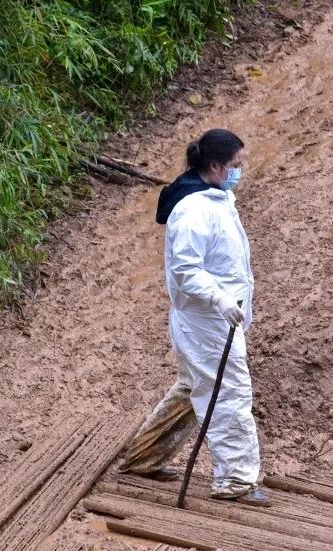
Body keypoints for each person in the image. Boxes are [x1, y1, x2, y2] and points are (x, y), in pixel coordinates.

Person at [119, 128, 269, 507]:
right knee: (228, 393)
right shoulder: (192, 211)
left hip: (218, 318)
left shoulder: (216, 198)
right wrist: (220, 299)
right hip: (205, 320)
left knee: (194, 386)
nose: (241, 170)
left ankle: (144, 456)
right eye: (236, 164)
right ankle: (235, 480)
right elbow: (186, 269)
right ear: (216, 166)